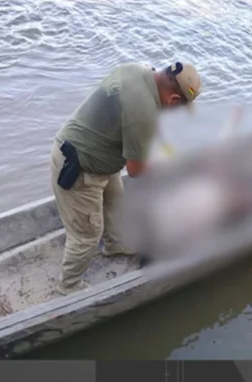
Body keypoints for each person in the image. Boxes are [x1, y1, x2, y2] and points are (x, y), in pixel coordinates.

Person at [50, 62, 202, 295]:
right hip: (80, 168)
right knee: (87, 235)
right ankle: (68, 286)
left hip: (98, 155)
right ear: (173, 100)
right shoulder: (142, 113)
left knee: (116, 203)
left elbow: (139, 126)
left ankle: (116, 244)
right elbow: (137, 170)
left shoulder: (137, 70)